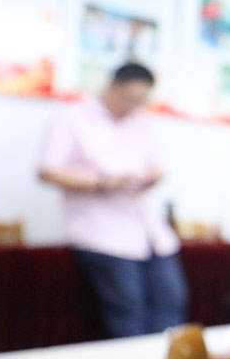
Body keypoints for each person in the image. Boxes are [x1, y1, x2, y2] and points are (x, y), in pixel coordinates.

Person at [37, 61, 188, 338]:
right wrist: (102, 183)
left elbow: (153, 166)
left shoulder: (141, 122)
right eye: (131, 98)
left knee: (171, 302)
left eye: (142, 100)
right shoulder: (72, 118)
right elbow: (47, 171)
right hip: (100, 233)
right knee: (128, 310)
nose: (135, 106)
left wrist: (150, 178)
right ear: (112, 87)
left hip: (147, 230)